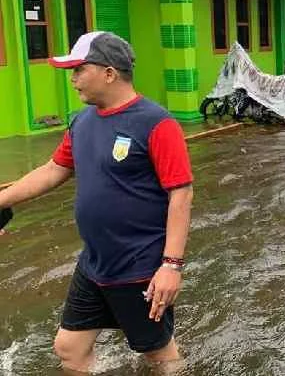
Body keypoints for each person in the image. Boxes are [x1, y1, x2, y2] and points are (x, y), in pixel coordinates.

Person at [0, 31, 193, 372]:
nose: (72, 79)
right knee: (69, 348)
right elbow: (52, 169)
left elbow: (181, 193)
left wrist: (171, 266)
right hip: (95, 263)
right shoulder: (81, 122)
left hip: (138, 267)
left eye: (78, 69)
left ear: (109, 72)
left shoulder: (157, 123)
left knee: (159, 355)